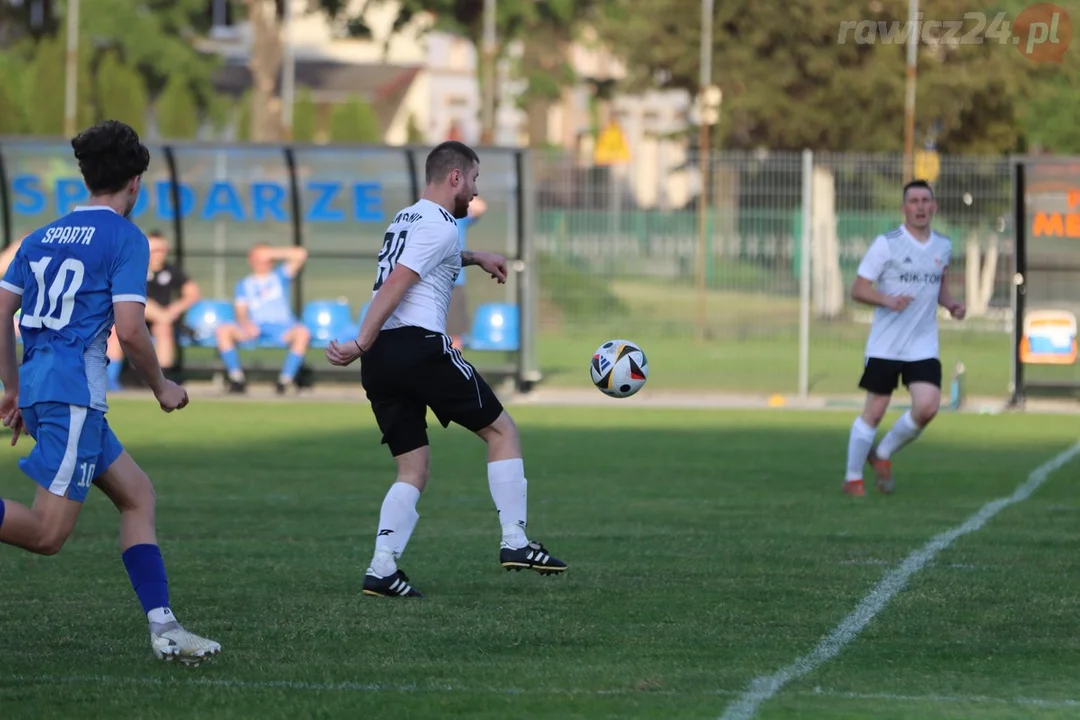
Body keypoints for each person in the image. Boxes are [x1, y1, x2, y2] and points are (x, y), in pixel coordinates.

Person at [0, 120, 221, 664]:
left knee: (137, 496)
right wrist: (162, 386)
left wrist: (13, 388)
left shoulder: (40, 236)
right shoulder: (125, 237)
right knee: (48, 535)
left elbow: (1, 313)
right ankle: (164, 629)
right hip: (73, 395)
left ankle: (164, 628)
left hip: (50, 388)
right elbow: (129, 328)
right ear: (135, 182)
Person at [325, 141, 567, 598]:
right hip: (417, 347)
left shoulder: (406, 218)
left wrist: (475, 258)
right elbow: (398, 284)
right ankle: (515, 540)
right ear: (455, 177)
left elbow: (424, 261)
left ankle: (382, 568)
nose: (475, 191)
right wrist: (359, 340)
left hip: (382, 362)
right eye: (474, 179)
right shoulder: (440, 225)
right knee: (502, 432)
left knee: (412, 468)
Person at [843, 179, 966, 497]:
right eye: (914, 201)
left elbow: (939, 285)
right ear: (903, 208)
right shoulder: (886, 243)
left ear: (934, 207)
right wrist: (887, 300)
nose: (921, 206)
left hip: (922, 344)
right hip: (886, 344)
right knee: (876, 409)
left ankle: (881, 455)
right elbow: (858, 289)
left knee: (928, 407)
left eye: (926, 200)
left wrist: (951, 304)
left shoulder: (943, 245)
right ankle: (853, 478)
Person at [105, 231, 201, 389]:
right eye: (154, 250)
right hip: (133, 318)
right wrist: (160, 313)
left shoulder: (172, 271)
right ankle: (111, 380)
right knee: (116, 330)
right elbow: (124, 295)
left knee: (163, 328)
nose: (159, 254)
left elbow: (193, 293)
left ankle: (162, 380)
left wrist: (173, 309)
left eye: (162, 250)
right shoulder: (132, 269)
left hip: (162, 322)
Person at [214, 243, 310, 394]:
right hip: (254, 327)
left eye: (264, 258)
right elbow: (241, 311)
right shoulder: (244, 284)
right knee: (223, 330)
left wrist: (271, 252)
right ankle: (236, 379)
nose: (261, 262)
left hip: (282, 327)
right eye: (257, 258)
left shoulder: (280, 276)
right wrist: (246, 324)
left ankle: (284, 381)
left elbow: (300, 254)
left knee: (302, 333)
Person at [447, 195, 487, 349]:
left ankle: (453, 371)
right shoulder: (423, 215)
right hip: (426, 284)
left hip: (453, 284)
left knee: (454, 336)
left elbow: (480, 206)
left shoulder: (456, 215)